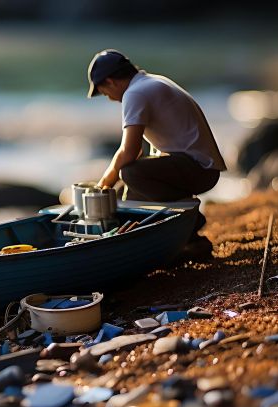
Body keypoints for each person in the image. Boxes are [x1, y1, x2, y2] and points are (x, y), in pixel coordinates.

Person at [87, 49, 226, 256]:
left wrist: (103, 184)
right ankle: (189, 241)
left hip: (199, 169)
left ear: (110, 82)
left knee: (130, 174)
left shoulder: (135, 93)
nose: (108, 98)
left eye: (104, 92)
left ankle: (190, 221)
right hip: (197, 165)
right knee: (129, 188)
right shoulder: (148, 82)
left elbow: (129, 151)